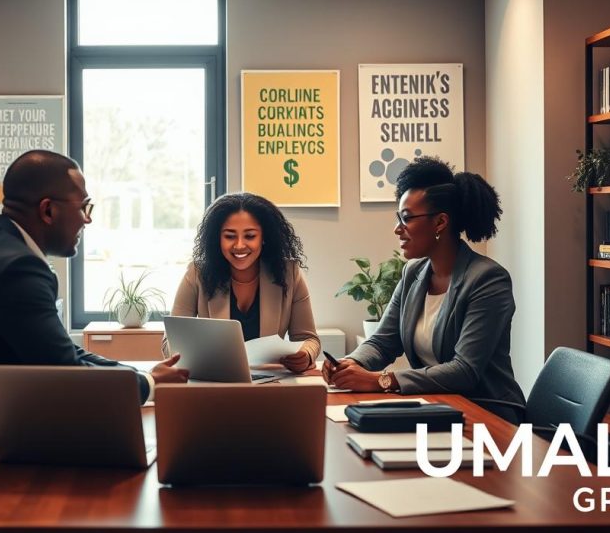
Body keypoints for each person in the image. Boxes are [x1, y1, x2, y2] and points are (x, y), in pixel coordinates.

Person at [0, 150, 189, 523]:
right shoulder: (16, 268)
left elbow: (63, 352)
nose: (87, 219)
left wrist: (130, 373)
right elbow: (66, 376)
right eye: (85, 206)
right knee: (120, 492)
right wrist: (148, 384)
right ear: (48, 211)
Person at [323, 156, 525, 421]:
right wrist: (352, 363)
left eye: (406, 218)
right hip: (436, 408)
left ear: (440, 222)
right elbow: (383, 342)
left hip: (487, 415)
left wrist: (381, 380)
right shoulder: (413, 273)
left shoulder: (488, 280)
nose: (397, 229)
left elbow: (464, 370)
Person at [163, 192, 320, 372]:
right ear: (217, 238)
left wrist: (305, 355)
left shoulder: (289, 273)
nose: (239, 245)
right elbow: (170, 343)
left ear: (264, 238)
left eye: (250, 236)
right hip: (214, 380)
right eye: (229, 236)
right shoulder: (197, 273)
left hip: (270, 381)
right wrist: (187, 353)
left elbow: (309, 339)